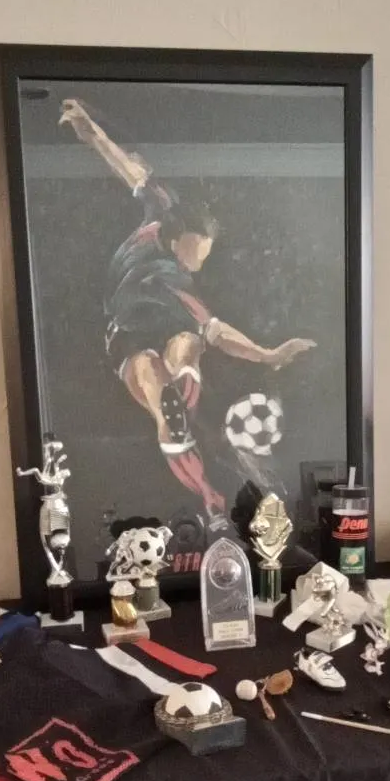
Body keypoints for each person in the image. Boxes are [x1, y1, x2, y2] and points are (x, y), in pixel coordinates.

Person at [59, 99, 316, 527]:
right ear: (177, 239)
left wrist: (95, 136)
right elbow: (218, 331)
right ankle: (179, 430)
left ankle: (182, 387)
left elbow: (132, 172)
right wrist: (94, 135)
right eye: (196, 252)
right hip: (127, 332)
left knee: (185, 342)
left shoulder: (171, 241)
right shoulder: (166, 250)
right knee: (148, 368)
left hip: (169, 327)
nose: (196, 264)